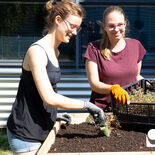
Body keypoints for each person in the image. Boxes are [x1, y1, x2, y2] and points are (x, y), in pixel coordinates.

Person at [6, 0, 105, 154]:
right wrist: (87, 105)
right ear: (58, 20)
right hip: (26, 133)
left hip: (43, 125)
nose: (74, 32)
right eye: (72, 26)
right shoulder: (37, 52)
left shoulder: (55, 52)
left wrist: (55, 114)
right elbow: (49, 97)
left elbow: (42, 91)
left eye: (77, 28)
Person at [84, 6, 155, 112]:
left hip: (130, 109)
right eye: (111, 26)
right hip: (103, 111)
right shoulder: (94, 48)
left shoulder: (136, 46)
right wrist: (112, 89)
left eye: (120, 25)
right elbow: (94, 84)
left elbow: (136, 76)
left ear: (125, 24)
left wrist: (151, 85)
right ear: (104, 27)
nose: (116, 29)